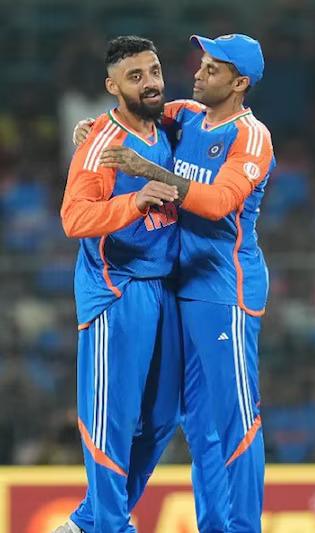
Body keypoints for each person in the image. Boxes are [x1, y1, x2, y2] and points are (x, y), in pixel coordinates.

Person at [78, 33, 274, 532]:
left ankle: (243, 526)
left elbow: (219, 203)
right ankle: (214, 525)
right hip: (180, 288)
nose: (198, 73)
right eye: (201, 63)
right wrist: (95, 126)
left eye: (213, 68)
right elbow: (134, 114)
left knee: (236, 421)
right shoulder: (185, 115)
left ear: (240, 83)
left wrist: (148, 172)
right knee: (199, 427)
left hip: (225, 289)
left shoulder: (252, 136)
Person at [56, 35, 182, 533]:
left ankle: (91, 521)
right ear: (113, 87)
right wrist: (134, 201)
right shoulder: (101, 146)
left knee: (163, 418)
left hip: (165, 286)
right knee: (112, 418)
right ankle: (110, 524)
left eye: (154, 71)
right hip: (118, 288)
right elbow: (73, 218)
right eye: (135, 76)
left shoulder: (169, 125)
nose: (149, 83)